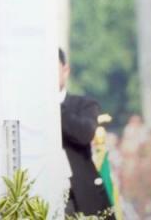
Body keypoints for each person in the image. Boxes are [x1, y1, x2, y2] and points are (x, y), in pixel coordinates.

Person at [59, 48, 113, 217]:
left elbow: (85, 133)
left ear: (65, 70)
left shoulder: (83, 105)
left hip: (80, 199)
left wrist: (53, 107)